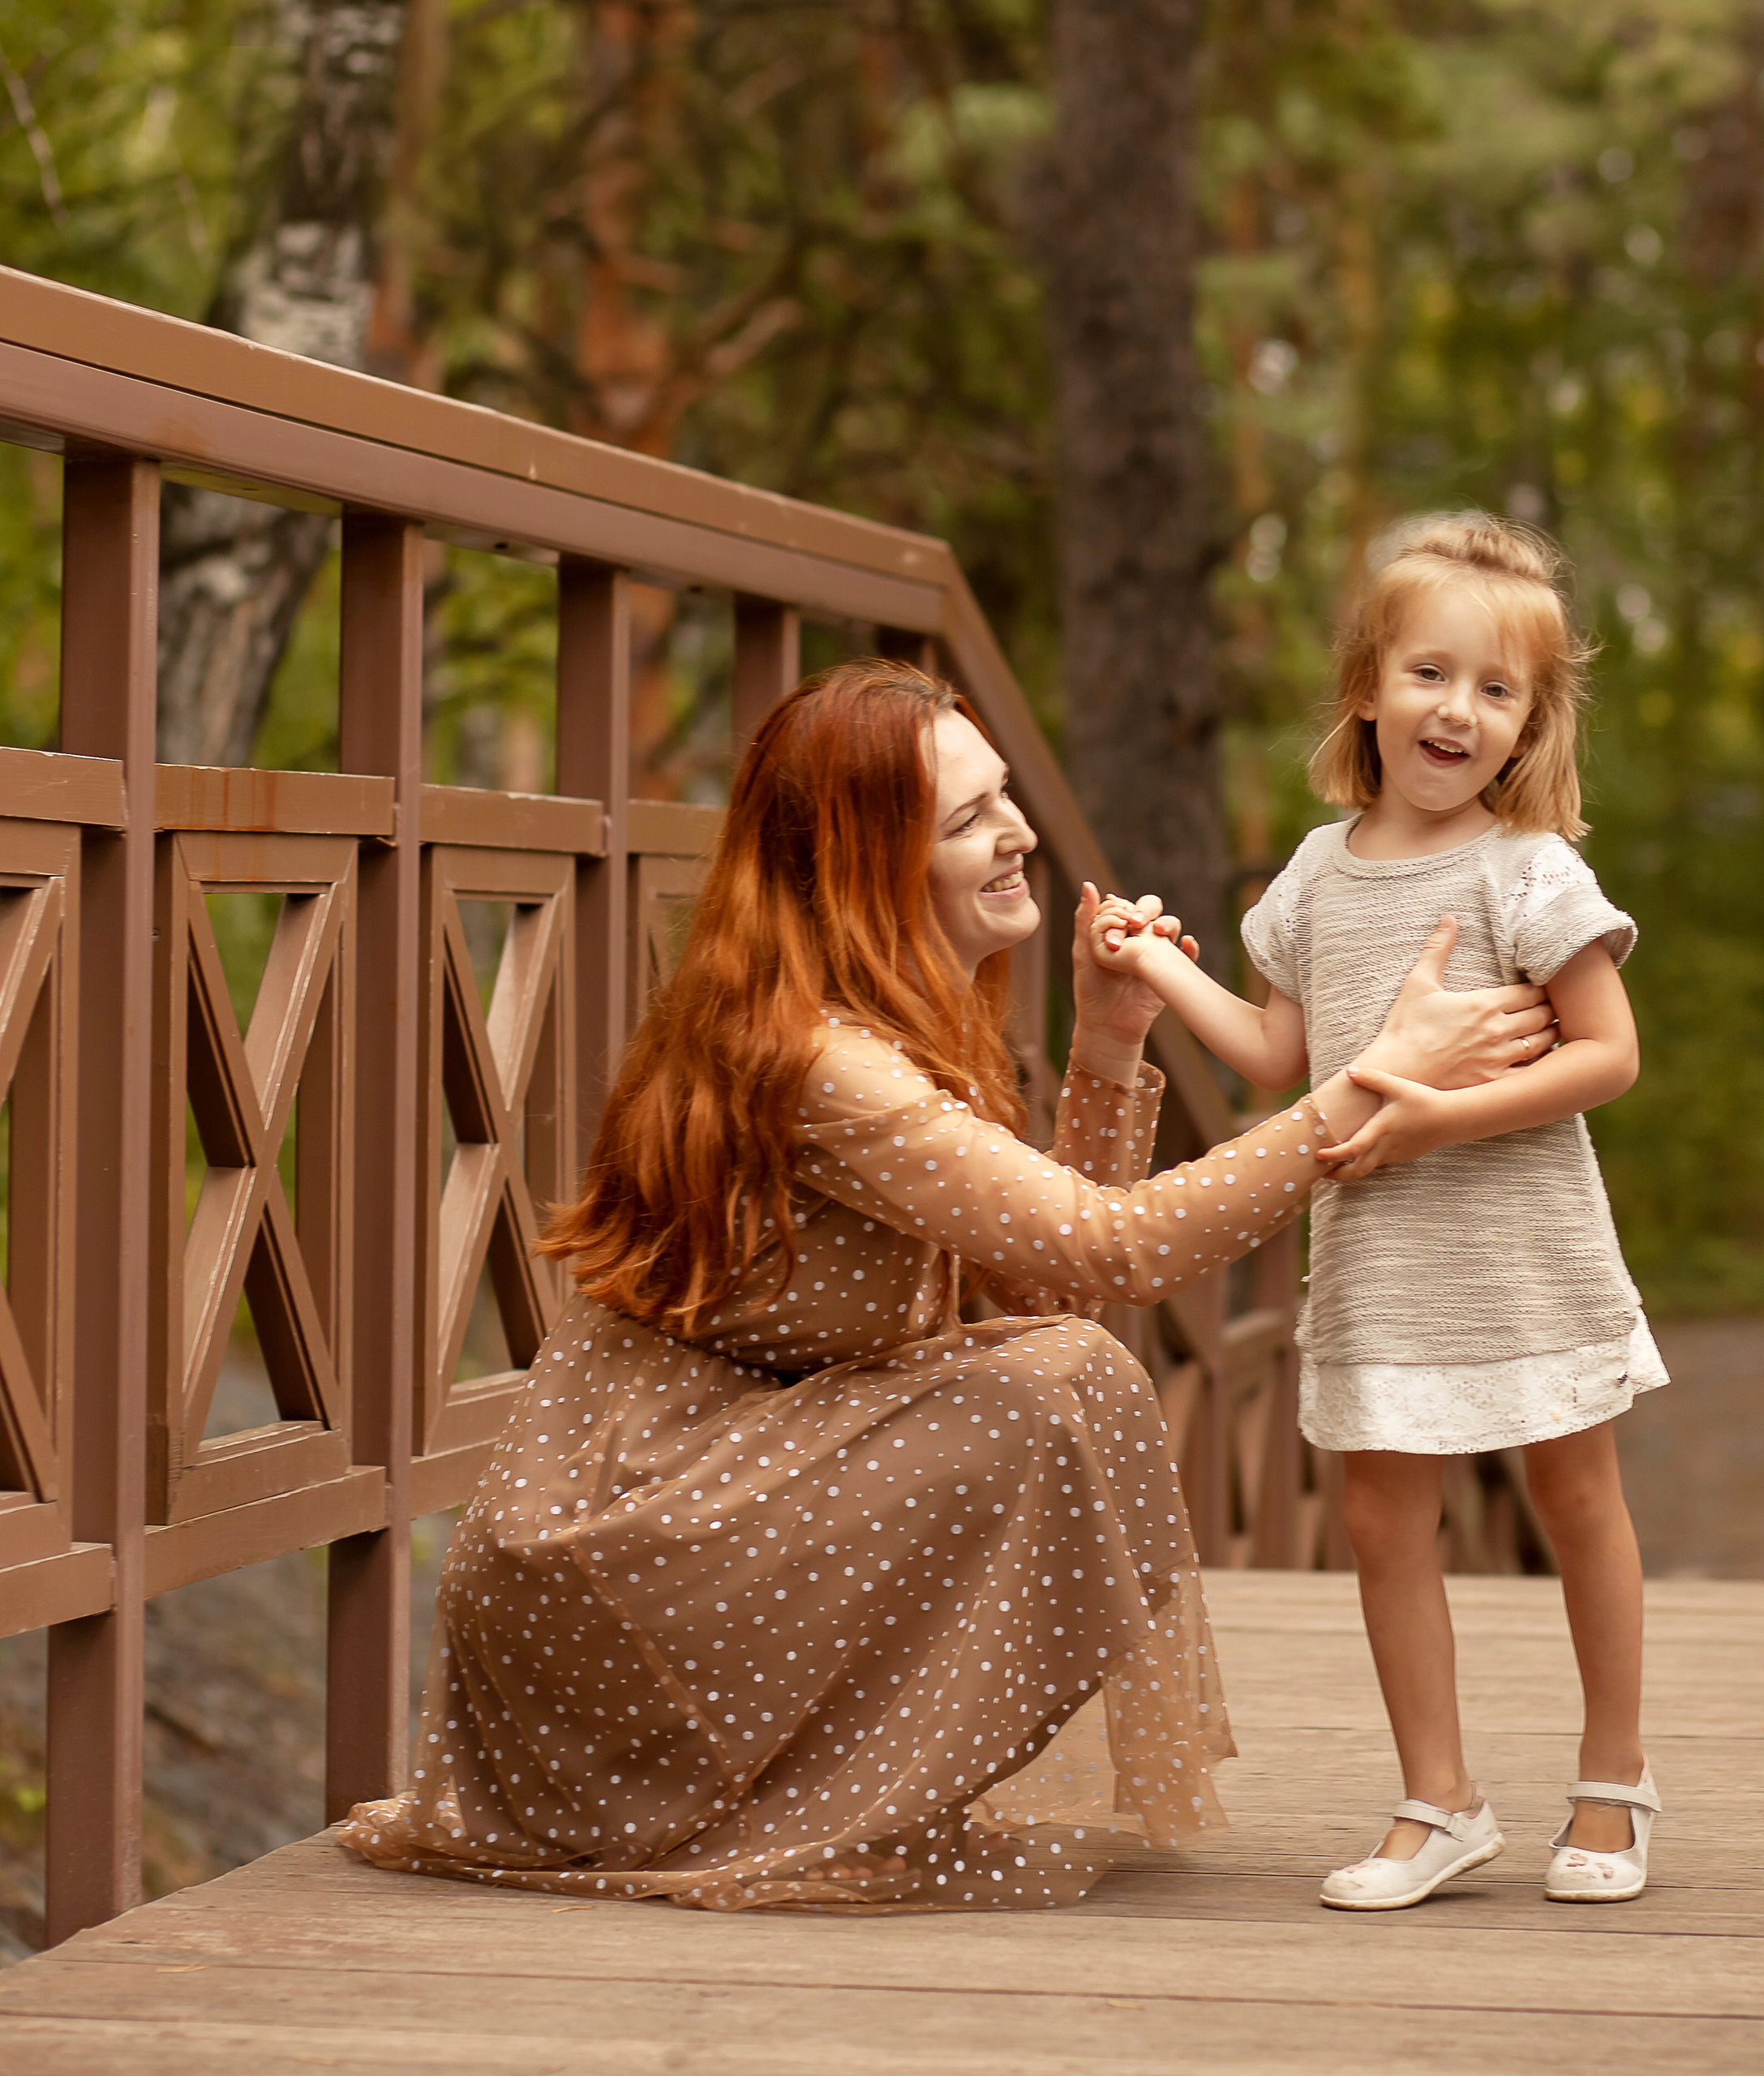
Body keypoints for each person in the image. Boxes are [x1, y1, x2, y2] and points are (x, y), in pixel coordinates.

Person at [336, 658, 1559, 1914]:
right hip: (623, 1576)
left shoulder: (875, 1020)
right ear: (866, 861)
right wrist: (1370, 1084)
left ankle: (814, 1784)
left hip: (700, 1508)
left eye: (1005, 796)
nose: (1019, 830)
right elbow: (1110, 1255)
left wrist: (1106, 1043)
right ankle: (767, 1800)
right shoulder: (821, 1062)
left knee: (1051, 1377)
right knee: (1056, 1390)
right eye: (968, 819)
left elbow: (1038, 1294)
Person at [1090, 513, 1667, 1911]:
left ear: (1528, 726)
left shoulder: (1525, 872)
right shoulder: (1312, 873)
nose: (1456, 710)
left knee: (1573, 1490)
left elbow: (1610, 1056)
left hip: (1519, 1247)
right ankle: (1442, 1799)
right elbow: (1282, 1060)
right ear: (1367, 686)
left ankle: (1614, 1780)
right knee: (1379, 1515)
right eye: (1429, 674)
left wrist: (1431, 1115)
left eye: (1495, 689)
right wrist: (1156, 972)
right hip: (1379, 1257)